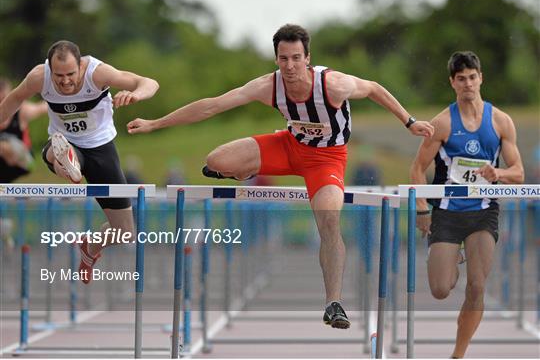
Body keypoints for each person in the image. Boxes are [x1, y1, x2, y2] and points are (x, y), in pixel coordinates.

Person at [128, 24, 433, 328]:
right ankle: (244, 169)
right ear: (276, 59)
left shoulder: (333, 85)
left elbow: (375, 88)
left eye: (296, 58)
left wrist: (410, 122)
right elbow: (212, 106)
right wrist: (155, 124)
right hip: (287, 146)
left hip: (326, 160)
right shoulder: (268, 86)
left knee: (329, 219)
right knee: (216, 160)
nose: (290, 66)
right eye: (284, 58)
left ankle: (333, 303)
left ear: (307, 58)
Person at [0, 40, 159, 283]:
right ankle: (68, 164)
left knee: (125, 232)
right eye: (58, 75)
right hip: (62, 143)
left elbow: (150, 83)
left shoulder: (98, 73)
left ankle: (90, 247)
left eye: (70, 74)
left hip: (101, 149)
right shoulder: (39, 76)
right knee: (59, 148)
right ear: (50, 69)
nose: (64, 81)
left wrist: (135, 94)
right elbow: (13, 100)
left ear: (81, 66)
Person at [409, 51, 524, 358]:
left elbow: (519, 172)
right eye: (461, 79)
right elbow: (417, 168)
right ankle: (451, 259)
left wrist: (497, 172)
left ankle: (458, 354)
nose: (468, 84)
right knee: (440, 289)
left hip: (483, 213)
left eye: (472, 77)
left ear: (481, 78)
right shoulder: (442, 123)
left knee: (477, 287)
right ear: (453, 83)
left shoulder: (500, 121)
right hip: (447, 213)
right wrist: (422, 209)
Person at [0, 77, 48, 182]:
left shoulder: (23, 111)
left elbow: (45, 106)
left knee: (3, 145)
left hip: (24, 161)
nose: (2, 106)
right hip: (3, 166)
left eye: (4, 100)